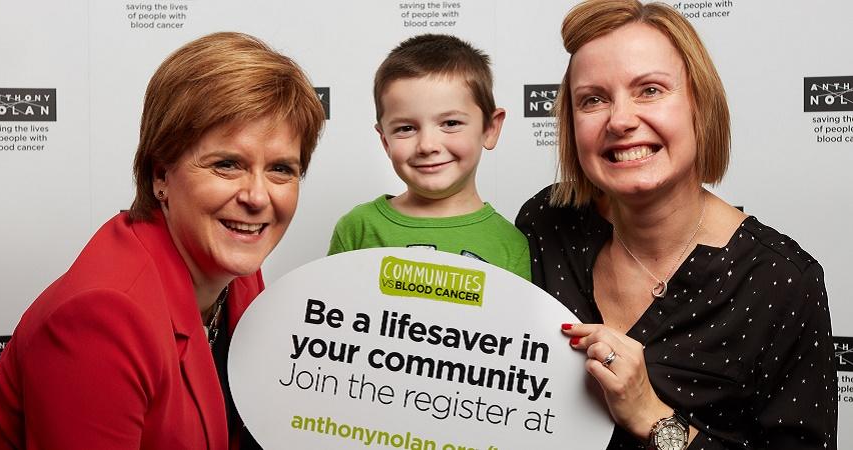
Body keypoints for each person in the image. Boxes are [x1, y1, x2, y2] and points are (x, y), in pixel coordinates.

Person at [0, 32, 324, 450]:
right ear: (161, 175)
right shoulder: (102, 319)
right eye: (228, 164)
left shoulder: (237, 271)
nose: (257, 197)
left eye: (281, 169)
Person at [516, 1, 837, 449]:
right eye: (593, 99)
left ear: (699, 106)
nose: (621, 120)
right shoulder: (546, 223)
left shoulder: (782, 283)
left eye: (649, 90)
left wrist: (652, 417)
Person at [328, 34, 531, 280]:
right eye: (406, 128)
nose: (427, 145)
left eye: (451, 123)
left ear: (490, 129)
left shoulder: (511, 245)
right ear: (385, 141)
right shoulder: (357, 229)